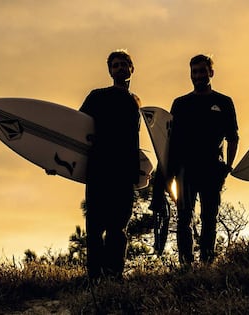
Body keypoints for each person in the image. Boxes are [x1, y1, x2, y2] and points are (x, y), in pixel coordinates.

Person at [167, 54, 239, 264]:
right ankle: (185, 263)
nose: (198, 76)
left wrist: (228, 166)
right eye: (194, 72)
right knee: (184, 218)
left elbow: (233, 137)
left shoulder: (223, 102)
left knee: (210, 218)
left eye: (202, 71)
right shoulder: (180, 104)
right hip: (185, 169)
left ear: (211, 73)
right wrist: (169, 173)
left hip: (212, 168)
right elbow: (171, 141)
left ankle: (207, 261)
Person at [79, 50, 141, 281]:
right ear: (109, 71)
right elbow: (77, 128)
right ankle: (94, 276)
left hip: (124, 172)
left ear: (131, 69)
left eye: (124, 64)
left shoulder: (136, 102)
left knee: (118, 228)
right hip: (99, 169)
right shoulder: (97, 96)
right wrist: (58, 159)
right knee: (94, 228)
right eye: (115, 65)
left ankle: (114, 275)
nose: (120, 68)